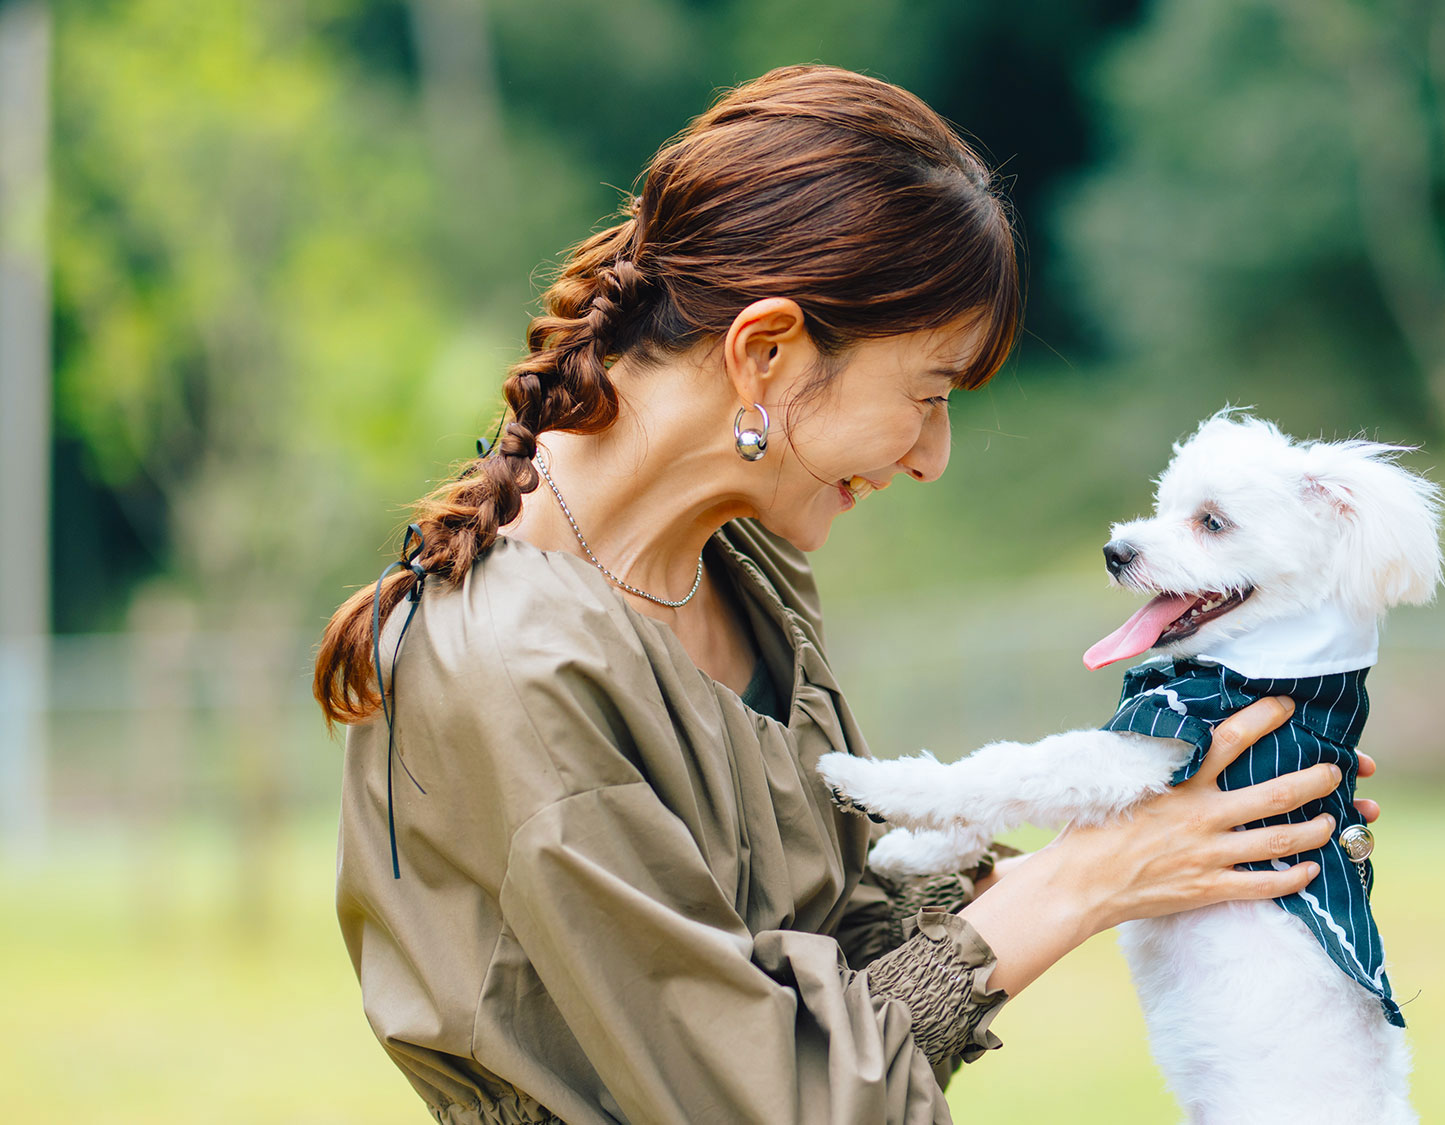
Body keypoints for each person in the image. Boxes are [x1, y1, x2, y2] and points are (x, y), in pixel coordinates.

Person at [311, 64, 1384, 1125]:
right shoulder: (512, 665)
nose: (932, 456)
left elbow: (853, 946)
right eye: (926, 395)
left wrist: (1186, 833)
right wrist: (1088, 880)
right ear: (766, 351)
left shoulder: (743, 566)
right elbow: (768, 1097)